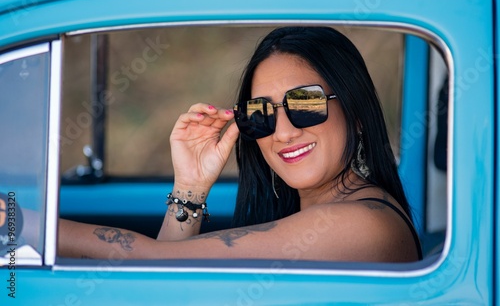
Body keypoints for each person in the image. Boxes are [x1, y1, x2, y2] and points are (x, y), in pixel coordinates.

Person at [58, 26, 422, 262]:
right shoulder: (314, 215)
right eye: (261, 114)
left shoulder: (363, 225)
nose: (283, 132)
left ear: (355, 111)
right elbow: (163, 286)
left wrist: (21, 225)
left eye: (305, 104)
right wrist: (191, 186)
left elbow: (154, 262)